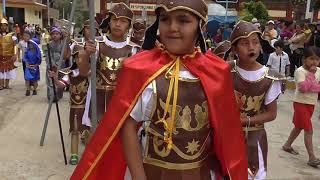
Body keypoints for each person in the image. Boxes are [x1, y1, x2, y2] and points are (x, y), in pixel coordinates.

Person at [71, 0, 247, 179]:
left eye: (183, 21)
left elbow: (227, 136)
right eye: (165, 19)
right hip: (153, 172)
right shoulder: (140, 68)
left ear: (200, 26)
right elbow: (128, 125)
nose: (172, 27)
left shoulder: (217, 73)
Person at [229, 20, 283, 179]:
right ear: (234, 48)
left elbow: (271, 114)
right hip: (228, 135)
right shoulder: (225, 71)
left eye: (255, 42)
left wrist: (243, 121)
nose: (251, 47)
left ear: (260, 46)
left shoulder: (270, 77)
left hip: (255, 137)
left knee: (254, 175)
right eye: (245, 43)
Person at [78, 3, 135, 127]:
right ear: (109, 22)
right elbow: (83, 72)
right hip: (98, 97)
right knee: (96, 138)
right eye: (114, 20)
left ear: (129, 26)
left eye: (123, 21)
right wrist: (86, 54)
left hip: (121, 101)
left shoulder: (134, 48)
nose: (118, 24)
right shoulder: (96, 44)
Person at [282, 46, 320, 168]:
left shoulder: (319, 70)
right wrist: (311, 77)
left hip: (311, 104)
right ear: (304, 59)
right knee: (308, 130)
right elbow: (303, 88)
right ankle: (312, 157)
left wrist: (312, 85)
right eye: (311, 59)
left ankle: (287, 145)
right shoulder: (300, 71)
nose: (314, 62)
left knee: (298, 127)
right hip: (300, 103)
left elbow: (317, 88)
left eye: (317, 59)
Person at [46, 26, 71, 102]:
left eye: (57, 34)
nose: (55, 35)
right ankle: (51, 96)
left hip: (61, 65)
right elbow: (48, 56)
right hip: (52, 65)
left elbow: (67, 54)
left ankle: (58, 95)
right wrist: (52, 65)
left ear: (60, 35)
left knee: (60, 81)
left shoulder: (64, 44)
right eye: (53, 34)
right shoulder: (49, 44)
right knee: (51, 81)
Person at [0, 18, 17, 90]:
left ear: (7, 26)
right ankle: (1, 85)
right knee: (1, 71)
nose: (3, 27)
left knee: (8, 71)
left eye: (5, 25)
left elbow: (15, 45)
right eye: (2, 25)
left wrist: (15, 54)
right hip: (0, 56)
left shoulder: (12, 35)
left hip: (9, 56)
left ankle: (7, 85)